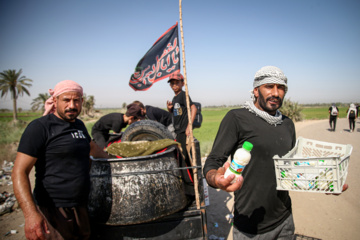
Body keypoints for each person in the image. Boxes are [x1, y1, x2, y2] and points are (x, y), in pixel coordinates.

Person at [12, 80, 109, 240]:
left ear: (82, 102)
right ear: (55, 101)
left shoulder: (79, 125)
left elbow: (92, 148)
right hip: (53, 210)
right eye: (66, 100)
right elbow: (19, 172)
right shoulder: (40, 128)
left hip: (81, 206)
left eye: (76, 100)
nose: (72, 105)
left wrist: (116, 158)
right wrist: (31, 215)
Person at [166, 72, 197, 197]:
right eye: (172, 83)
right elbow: (177, 113)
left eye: (177, 83)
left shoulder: (184, 95)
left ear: (182, 84)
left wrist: (190, 125)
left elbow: (193, 108)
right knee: (181, 159)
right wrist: (170, 109)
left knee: (186, 161)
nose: (174, 85)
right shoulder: (175, 98)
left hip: (184, 132)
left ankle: (191, 190)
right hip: (178, 132)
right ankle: (187, 187)